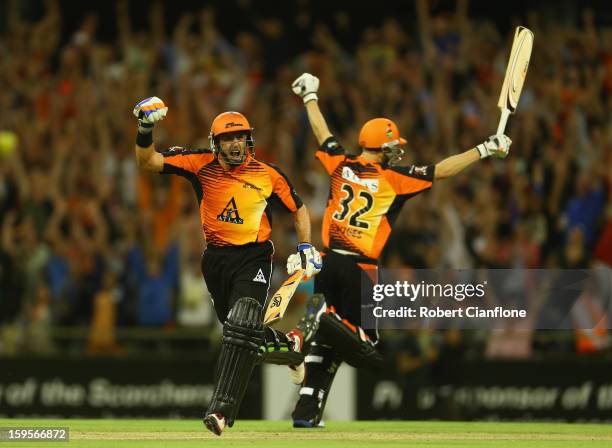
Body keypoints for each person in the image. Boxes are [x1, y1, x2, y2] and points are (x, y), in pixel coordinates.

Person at [289, 73, 512, 427]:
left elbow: (322, 133)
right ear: (381, 147)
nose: (398, 150)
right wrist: (484, 149)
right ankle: (322, 320)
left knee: (328, 347)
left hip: (327, 264)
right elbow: (443, 170)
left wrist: (309, 95)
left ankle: (306, 413)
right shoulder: (395, 179)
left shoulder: (340, 164)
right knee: (369, 348)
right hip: (361, 269)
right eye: (394, 145)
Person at [132, 97, 322, 436]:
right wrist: (145, 128)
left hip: (255, 256)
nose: (235, 144)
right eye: (227, 139)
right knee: (242, 333)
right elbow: (147, 161)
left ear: (248, 140)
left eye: (240, 137)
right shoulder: (199, 164)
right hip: (216, 261)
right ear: (215, 143)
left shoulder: (267, 174)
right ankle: (291, 348)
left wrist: (305, 245)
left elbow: (300, 208)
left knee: (241, 323)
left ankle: (220, 411)